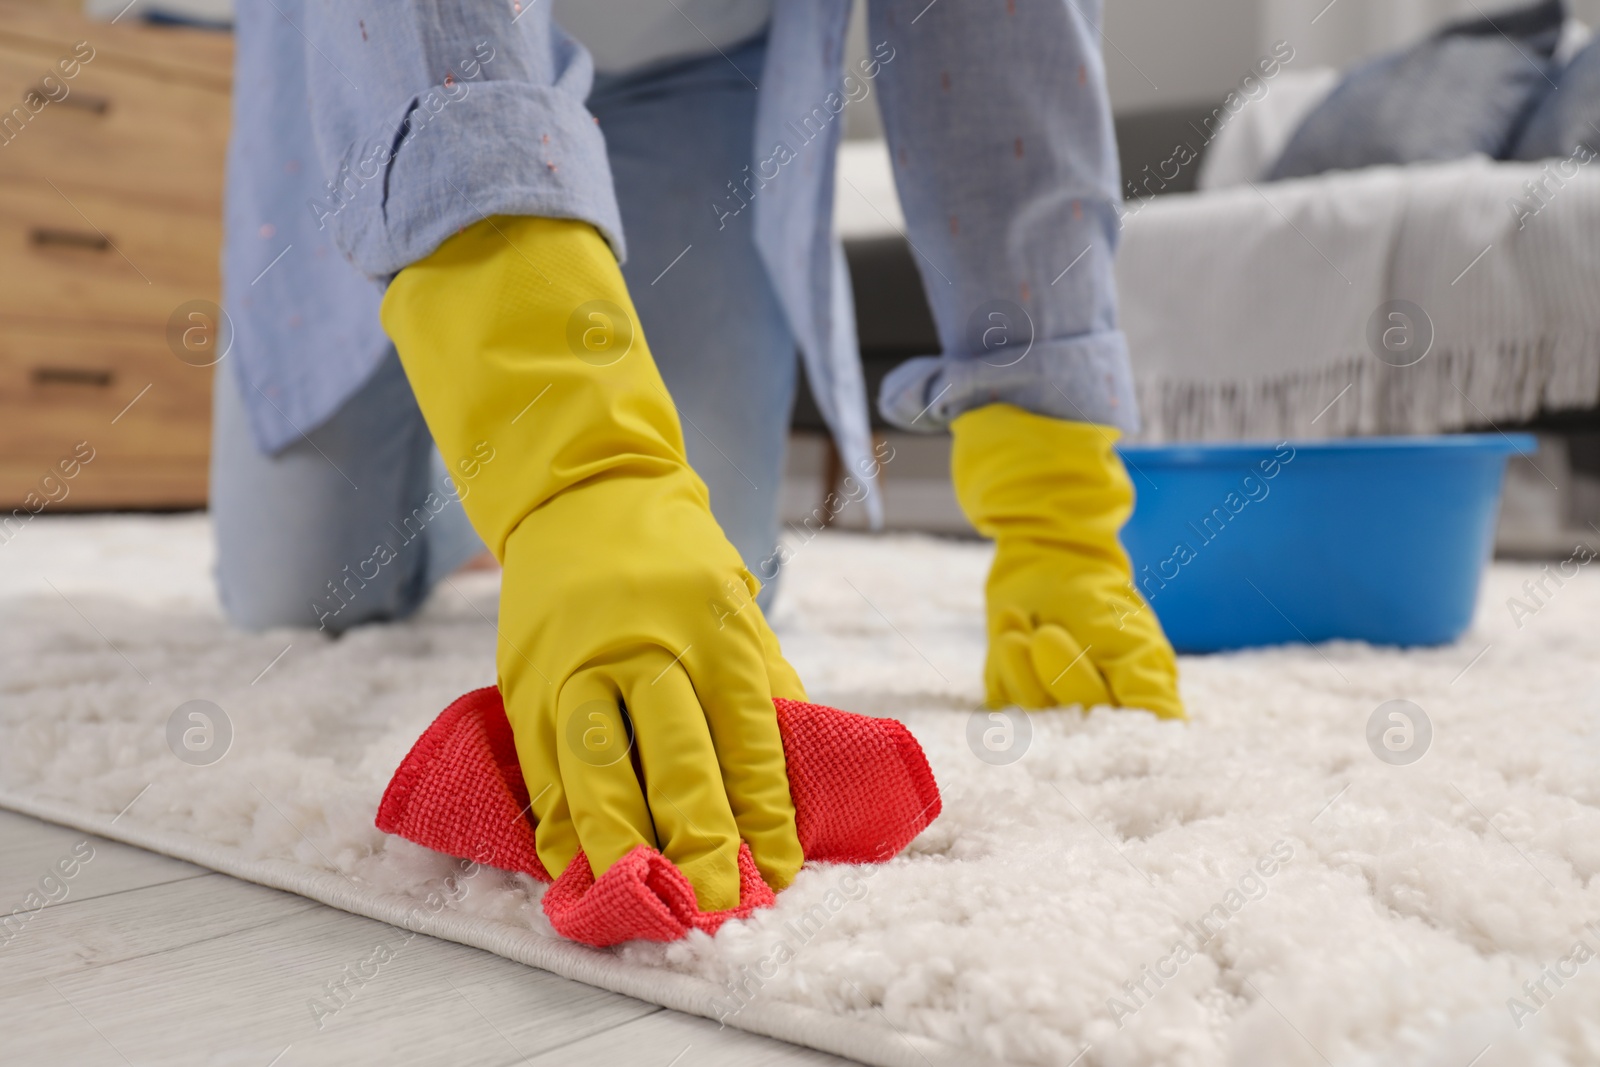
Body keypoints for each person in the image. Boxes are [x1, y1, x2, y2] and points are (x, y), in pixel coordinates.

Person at [212, 0, 1182, 913]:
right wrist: (575, 468)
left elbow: (1004, 43)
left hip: (699, 63)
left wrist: (1057, 514)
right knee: (307, 591)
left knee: (724, 582)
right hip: (390, 37)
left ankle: (489, 474)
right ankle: (483, 464)